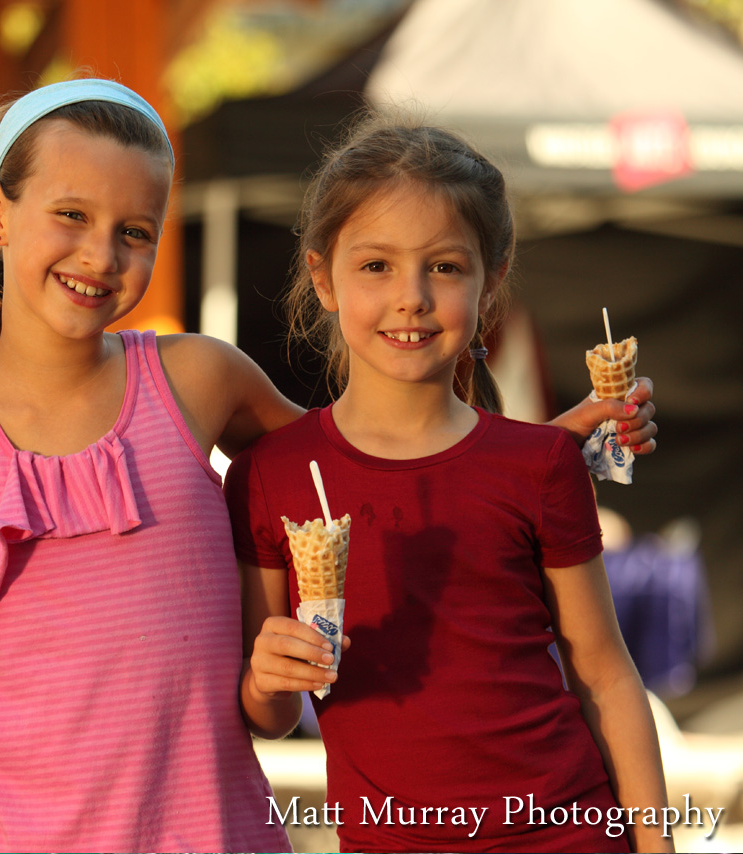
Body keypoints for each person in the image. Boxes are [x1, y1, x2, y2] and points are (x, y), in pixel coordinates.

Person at [0, 82, 658, 852]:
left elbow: (374, 460)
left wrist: (557, 437)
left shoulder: (199, 379)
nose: (100, 254)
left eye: (135, 230)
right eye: (70, 217)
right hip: (12, 833)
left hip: (208, 823)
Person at [225, 115, 671, 853]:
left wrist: (658, 846)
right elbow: (266, 714)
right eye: (376, 266)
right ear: (321, 278)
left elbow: (606, 674)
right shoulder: (271, 476)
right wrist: (268, 679)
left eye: (445, 267)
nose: (411, 297)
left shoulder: (543, 463)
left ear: (489, 281)